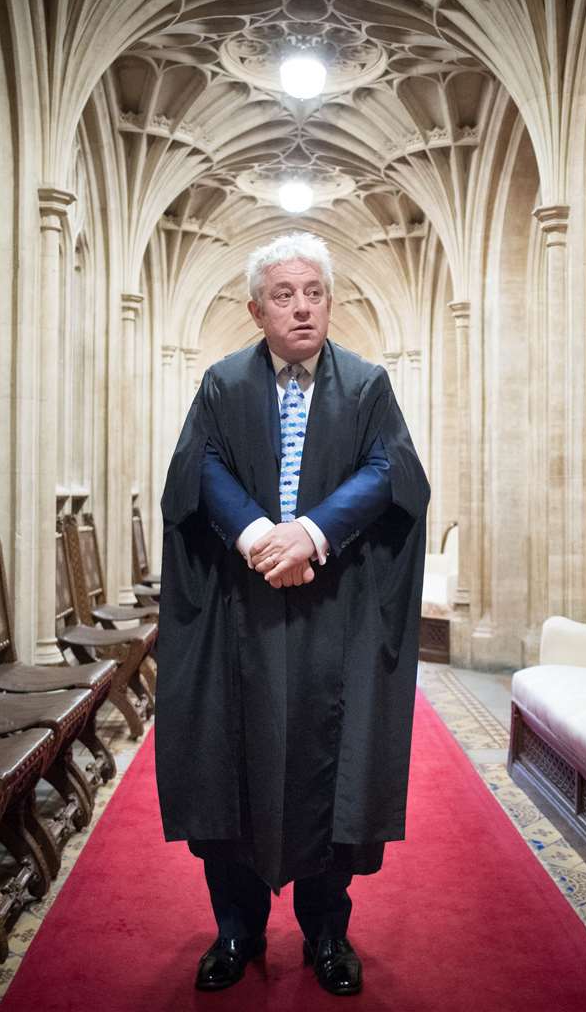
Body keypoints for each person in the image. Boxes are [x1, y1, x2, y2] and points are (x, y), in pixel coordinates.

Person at [156, 231, 430, 997]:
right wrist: (253, 535)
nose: (302, 307)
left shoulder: (369, 386)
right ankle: (236, 930)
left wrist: (311, 534)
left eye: (314, 292)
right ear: (256, 309)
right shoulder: (221, 385)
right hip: (237, 616)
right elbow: (196, 468)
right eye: (284, 294)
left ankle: (327, 931)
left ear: (330, 302)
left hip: (331, 617)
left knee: (328, 772)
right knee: (228, 768)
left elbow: (392, 469)